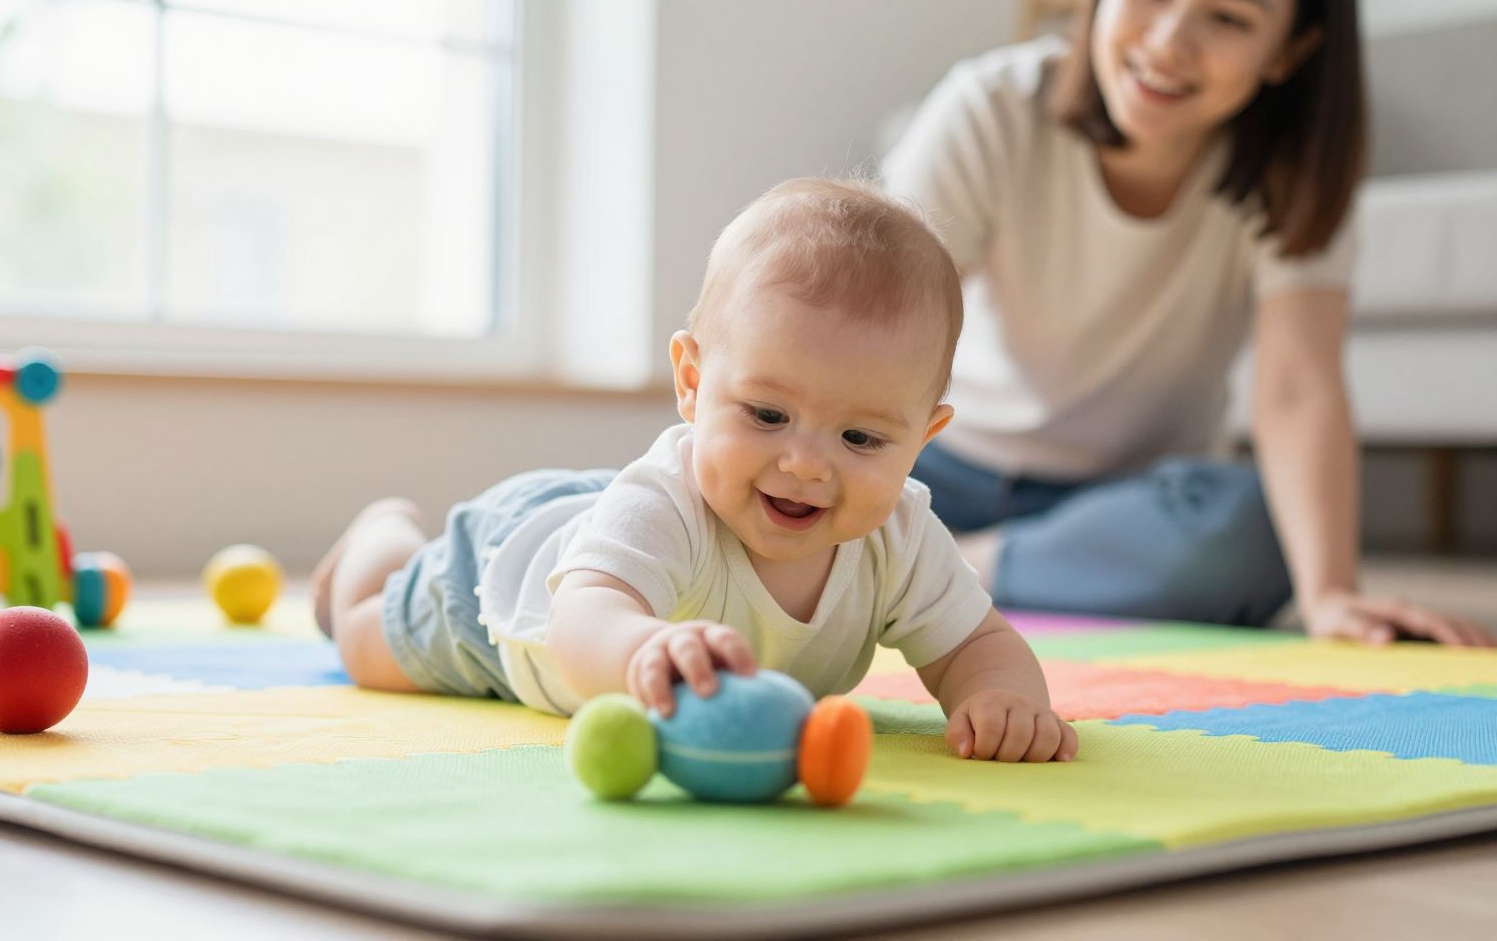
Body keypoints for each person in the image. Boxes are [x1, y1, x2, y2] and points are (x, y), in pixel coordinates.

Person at [311, 178, 1079, 763]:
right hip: (500, 587)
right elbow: (582, 620)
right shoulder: (667, 504)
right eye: (767, 416)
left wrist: (1003, 698)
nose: (806, 464)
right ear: (691, 382)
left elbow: (978, 643)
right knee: (367, 646)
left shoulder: (902, 537)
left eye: (862, 438)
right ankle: (385, 537)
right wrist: (642, 649)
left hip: (605, 527)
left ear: (924, 437)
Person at [884, 0, 1493, 647]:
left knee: (1259, 529)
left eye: (1229, 18)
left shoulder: (1289, 174)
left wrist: (1330, 593)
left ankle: (933, 568)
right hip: (942, 468)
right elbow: (883, 322)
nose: (1168, 41)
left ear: (1290, 51)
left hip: (1130, 503)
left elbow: (1298, 386)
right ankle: (922, 554)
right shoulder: (992, 107)